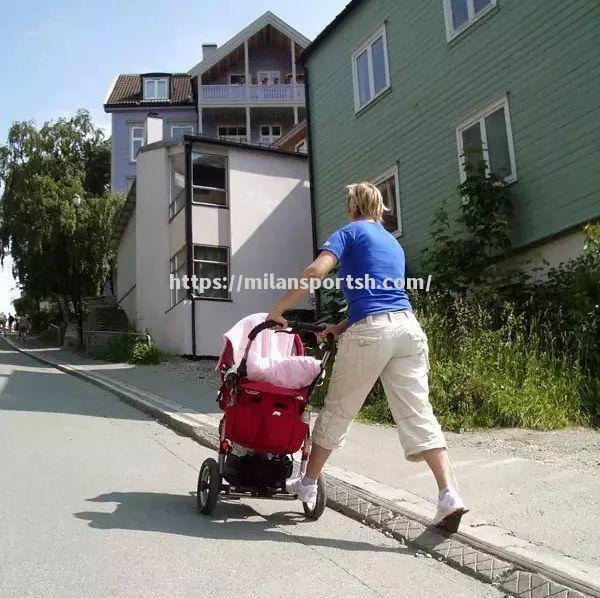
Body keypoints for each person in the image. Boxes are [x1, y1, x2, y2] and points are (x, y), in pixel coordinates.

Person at [267, 182, 467, 529]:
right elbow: (382, 300)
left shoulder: (348, 232)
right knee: (419, 412)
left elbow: (316, 272)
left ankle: (309, 483)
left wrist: (278, 310)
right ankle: (449, 494)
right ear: (379, 209)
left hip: (372, 334)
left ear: (351, 207)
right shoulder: (393, 243)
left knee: (339, 410)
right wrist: (338, 327)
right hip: (408, 331)